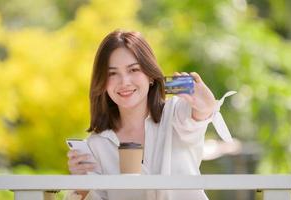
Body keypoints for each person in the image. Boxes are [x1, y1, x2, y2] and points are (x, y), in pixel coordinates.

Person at [65, 30, 236, 200]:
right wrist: (81, 185)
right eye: (112, 73)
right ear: (102, 83)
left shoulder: (175, 114)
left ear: (151, 76)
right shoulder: (98, 145)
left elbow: (198, 116)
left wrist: (206, 105)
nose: (124, 82)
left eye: (133, 70)